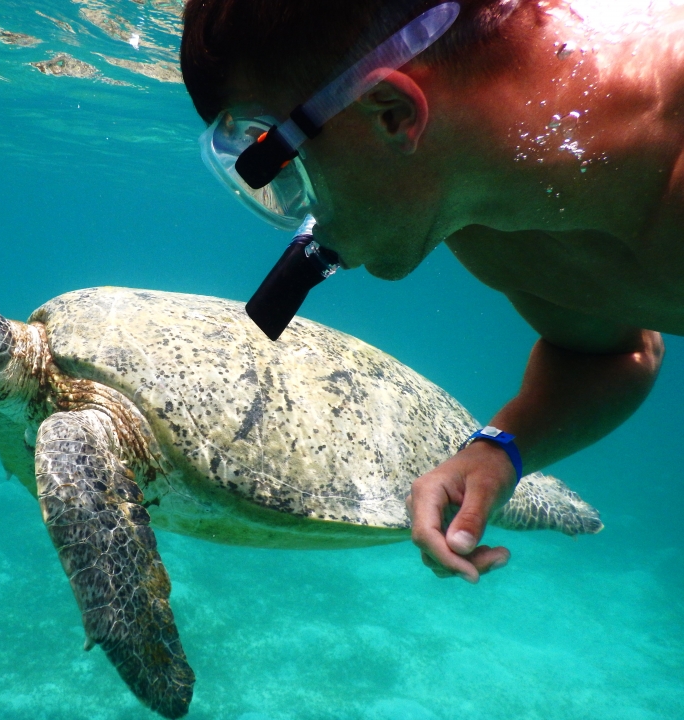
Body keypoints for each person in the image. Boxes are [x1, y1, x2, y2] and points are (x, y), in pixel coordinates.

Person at [180, 0, 680, 582]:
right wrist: (497, 454)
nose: (302, 213)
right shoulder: (480, 219)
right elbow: (615, 352)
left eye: (285, 172)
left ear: (392, 111)